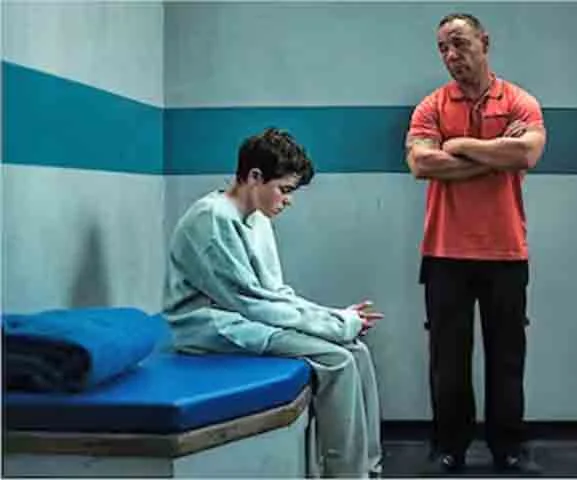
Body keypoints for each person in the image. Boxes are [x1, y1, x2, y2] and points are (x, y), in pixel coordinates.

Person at [163, 127, 384, 478]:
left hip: (244, 318)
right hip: (209, 326)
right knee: (338, 360)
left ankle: (370, 467)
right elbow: (250, 302)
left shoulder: (257, 219)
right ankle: (346, 474)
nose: (288, 200)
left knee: (357, 352)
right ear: (254, 177)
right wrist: (336, 326)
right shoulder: (212, 218)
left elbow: (275, 293)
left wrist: (336, 317)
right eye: (284, 189)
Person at [405, 13, 547, 474]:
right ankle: (450, 447)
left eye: (460, 43)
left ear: (484, 42)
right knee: (448, 359)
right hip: (444, 252)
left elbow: (526, 152)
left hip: (505, 251)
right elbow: (422, 165)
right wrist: (495, 156)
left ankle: (509, 447)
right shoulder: (430, 107)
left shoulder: (520, 102)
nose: (452, 55)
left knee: (507, 356)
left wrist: (458, 144)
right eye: (443, 48)